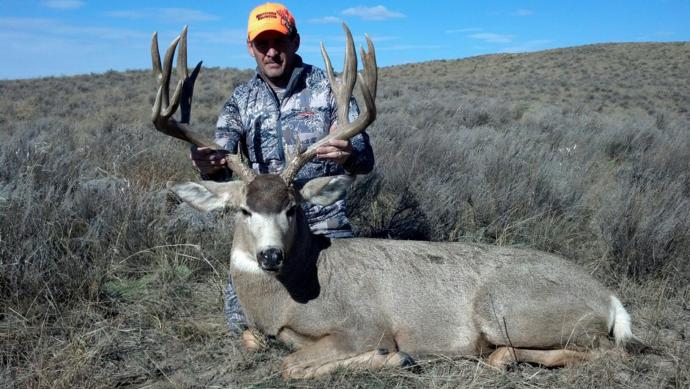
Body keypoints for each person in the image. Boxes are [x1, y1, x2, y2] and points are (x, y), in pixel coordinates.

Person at [189, 3, 374, 333]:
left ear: (295, 42)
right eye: (263, 44)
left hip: (323, 223)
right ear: (251, 48)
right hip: (263, 226)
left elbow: (364, 157)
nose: (271, 52)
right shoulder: (241, 100)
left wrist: (347, 153)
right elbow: (221, 156)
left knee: (347, 311)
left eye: (280, 42)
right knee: (244, 324)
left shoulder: (328, 88)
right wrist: (209, 164)